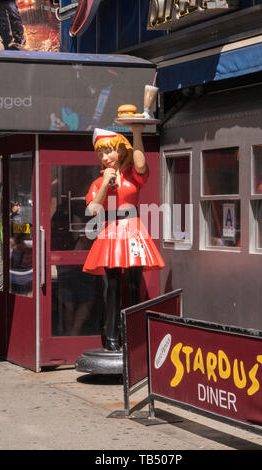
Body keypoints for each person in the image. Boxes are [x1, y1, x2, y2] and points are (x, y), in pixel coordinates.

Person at [83, 126, 165, 351]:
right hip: (110, 232)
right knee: (112, 288)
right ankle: (112, 338)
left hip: (132, 230)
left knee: (134, 286)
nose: (105, 157)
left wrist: (136, 132)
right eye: (100, 154)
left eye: (108, 151)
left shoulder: (132, 175)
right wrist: (105, 183)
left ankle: (134, 338)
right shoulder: (98, 182)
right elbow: (92, 210)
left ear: (120, 150)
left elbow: (141, 164)